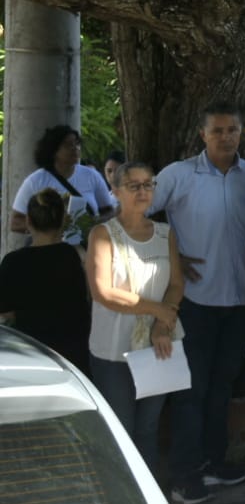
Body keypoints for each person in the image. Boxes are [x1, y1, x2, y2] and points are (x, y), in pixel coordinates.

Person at [151, 100, 245, 504]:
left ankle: (214, 464)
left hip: (238, 301)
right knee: (191, 391)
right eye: (217, 130)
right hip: (194, 304)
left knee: (221, 389)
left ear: (241, 133)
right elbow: (135, 218)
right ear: (202, 134)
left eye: (232, 130)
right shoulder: (177, 176)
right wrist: (173, 259)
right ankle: (184, 475)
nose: (225, 137)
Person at [85, 162, 183, 470]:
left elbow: (177, 284)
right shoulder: (103, 234)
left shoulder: (165, 233)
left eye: (148, 184)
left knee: (148, 430)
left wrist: (161, 327)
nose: (143, 192)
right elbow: (103, 292)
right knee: (120, 431)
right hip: (114, 351)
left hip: (158, 346)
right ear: (115, 191)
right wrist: (157, 310)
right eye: (134, 186)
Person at [0, 188, 92, 371]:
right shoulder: (76, 255)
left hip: (32, 352)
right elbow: (89, 298)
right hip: (74, 355)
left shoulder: (14, 261)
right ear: (62, 221)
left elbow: (5, 310)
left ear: (28, 221)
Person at [9, 124, 116, 246]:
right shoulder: (36, 180)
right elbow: (16, 223)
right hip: (48, 248)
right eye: (68, 145)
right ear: (53, 150)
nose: (75, 148)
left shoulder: (92, 176)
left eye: (77, 144)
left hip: (87, 247)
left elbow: (109, 212)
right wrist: (49, 228)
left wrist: (91, 224)